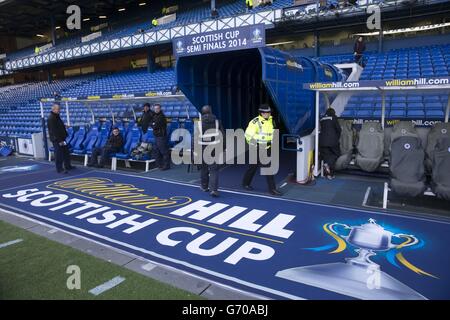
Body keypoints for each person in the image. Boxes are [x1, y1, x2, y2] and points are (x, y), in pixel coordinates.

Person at [242, 104, 282, 196]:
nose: (267, 114)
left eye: (269, 112)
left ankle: (272, 189)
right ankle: (246, 183)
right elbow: (248, 136)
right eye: (265, 112)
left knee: (268, 168)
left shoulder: (272, 121)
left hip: (266, 148)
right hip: (256, 148)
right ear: (261, 113)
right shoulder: (255, 122)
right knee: (253, 167)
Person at [197, 105, 224, 197]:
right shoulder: (217, 122)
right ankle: (214, 190)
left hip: (202, 149)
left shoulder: (199, 124)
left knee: (203, 169)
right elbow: (222, 136)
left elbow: (195, 139)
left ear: (202, 112)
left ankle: (204, 187)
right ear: (211, 111)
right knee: (214, 170)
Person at [47, 103, 74, 173]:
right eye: (58, 109)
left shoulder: (56, 116)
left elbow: (58, 125)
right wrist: (60, 141)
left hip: (62, 138)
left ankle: (68, 166)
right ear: (53, 109)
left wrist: (64, 126)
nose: (59, 110)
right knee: (58, 154)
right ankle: (59, 169)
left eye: (60, 109)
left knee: (66, 152)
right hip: (57, 139)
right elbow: (54, 131)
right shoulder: (51, 118)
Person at [319, 108, 341, 180]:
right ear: (333, 113)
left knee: (326, 156)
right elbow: (339, 129)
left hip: (322, 142)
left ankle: (328, 173)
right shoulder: (333, 118)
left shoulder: (322, 119)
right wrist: (337, 138)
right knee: (335, 155)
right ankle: (328, 167)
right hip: (332, 142)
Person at [151, 104, 170, 170]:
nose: (156, 110)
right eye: (155, 108)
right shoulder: (155, 115)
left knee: (163, 151)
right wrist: (153, 124)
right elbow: (151, 123)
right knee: (156, 150)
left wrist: (153, 124)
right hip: (156, 135)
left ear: (160, 109)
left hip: (161, 136)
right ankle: (159, 164)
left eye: (157, 108)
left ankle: (166, 165)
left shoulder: (161, 116)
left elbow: (155, 126)